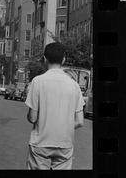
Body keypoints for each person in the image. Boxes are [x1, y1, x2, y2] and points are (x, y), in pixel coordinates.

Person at [25, 42, 85, 170]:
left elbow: (32, 118)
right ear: (63, 60)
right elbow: (80, 121)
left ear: (45, 59)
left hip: (41, 141)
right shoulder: (74, 85)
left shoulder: (38, 82)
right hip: (64, 143)